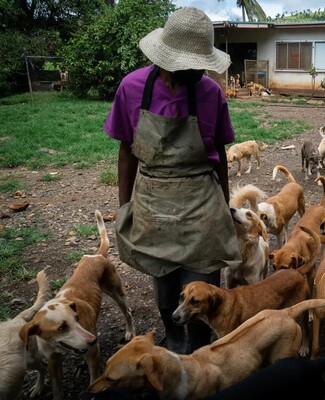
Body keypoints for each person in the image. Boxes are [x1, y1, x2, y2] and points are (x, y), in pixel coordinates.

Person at [104, 7, 241, 354]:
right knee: (164, 286)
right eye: (191, 64)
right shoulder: (132, 88)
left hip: (202, 204)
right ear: (167, 57)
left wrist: (225, 205)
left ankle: (200, 349)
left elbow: (221, 153)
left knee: (205, 284)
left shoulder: (211, 94)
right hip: (154, 201)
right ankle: (175, 338)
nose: (199, 71)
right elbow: (126, 151)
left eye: (202, 63)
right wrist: (124, 207)